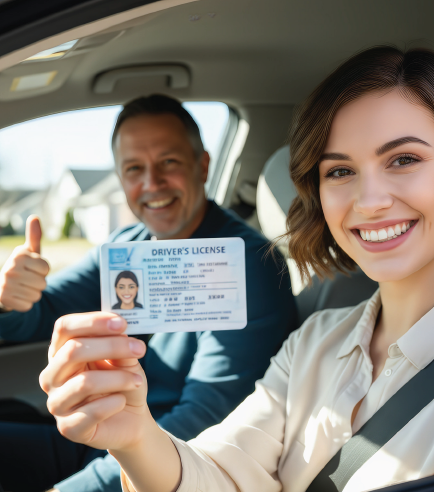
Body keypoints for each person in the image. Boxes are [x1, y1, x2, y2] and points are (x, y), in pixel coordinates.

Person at [40, 45, 434, 492]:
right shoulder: (315, 341)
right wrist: (136, 438)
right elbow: (223, 474)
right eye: (340, 171)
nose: (370, 201)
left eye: (404, 160)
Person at [0, 95, 298, 492]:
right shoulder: (129, 245)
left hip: (160, 462)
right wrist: (12, 298)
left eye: (169, 162)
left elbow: (203, 419)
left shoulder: (245, 266)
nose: (151, 183)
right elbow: (39, 316)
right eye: (134, 168)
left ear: (202, 165)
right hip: (95, 438)